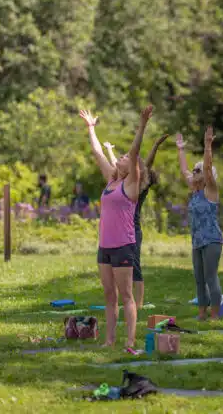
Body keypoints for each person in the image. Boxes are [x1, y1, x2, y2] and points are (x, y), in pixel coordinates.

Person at [79, 105, 153, 353]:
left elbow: (134, 153)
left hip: (124, 246)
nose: (121, 157)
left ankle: (130, 342)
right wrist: (91, 128)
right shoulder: (112, 181)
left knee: (126, 296)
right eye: (120, 157)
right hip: (105, 246)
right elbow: (98, 151)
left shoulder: (131, 185)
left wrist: (142, 126)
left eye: (124, 157)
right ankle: (109, 340)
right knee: (109, 295)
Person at [105, 136, 170, 309]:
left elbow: (146, 163)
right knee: (118, 267)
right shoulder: (124, 182)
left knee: (135, 266)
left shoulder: (138, 186)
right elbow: (117, 167)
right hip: (122, 229)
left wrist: (155, 145)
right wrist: (110, 149)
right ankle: (125, 301)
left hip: (132, 229)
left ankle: (139, 304)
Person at [177, 127, 223, 321]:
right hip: (197, 241)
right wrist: (180, 149)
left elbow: (206, 167)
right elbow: (183, 170)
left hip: (212, 240)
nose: (194, 172)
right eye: (194, 170)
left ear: (207, 175)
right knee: (199, 278)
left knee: (210, 277)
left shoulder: (211, 190)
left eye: (197, 170)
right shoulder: (195, 191)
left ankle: (215, 315)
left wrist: (207, 146)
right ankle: (202, 313)